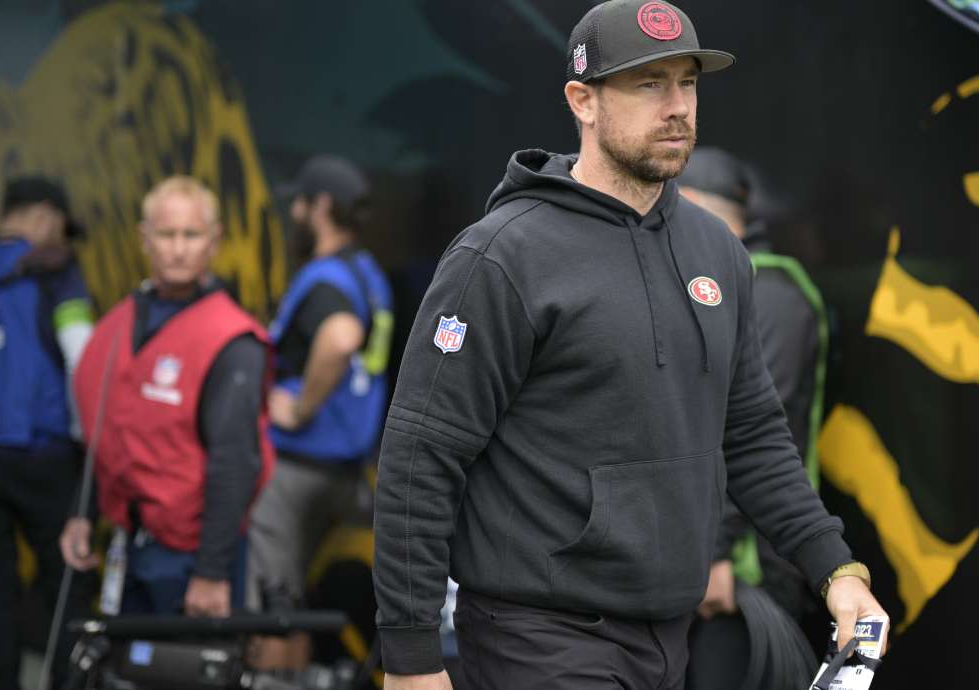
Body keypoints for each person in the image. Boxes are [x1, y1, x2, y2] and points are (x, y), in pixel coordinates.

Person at [373, 2, 888, 688]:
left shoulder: (719, 253)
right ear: (582, 100)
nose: (677, 106)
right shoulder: (501, 256)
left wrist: (836, 571)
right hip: (537, 639)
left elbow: (755, 435)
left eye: (689, 82)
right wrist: (411, 660)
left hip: (671, 639)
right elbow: (420, 456)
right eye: (649, 83)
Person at [60, 176, 274, 617]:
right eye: (166, 234)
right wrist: (82, 513)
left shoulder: (231, 341)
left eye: (191, 235)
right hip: (128, 542)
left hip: (193, 556)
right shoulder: (118, 324)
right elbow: (100, 431)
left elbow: (235, 463)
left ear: (213, 242)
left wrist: (212, 573)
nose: (178, 248)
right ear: (144, 239)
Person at [678, 148, 831, 688]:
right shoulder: (714, 285)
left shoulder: (769, 295)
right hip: (696, 567)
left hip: (747, 572)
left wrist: (717, 554)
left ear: (691, 205)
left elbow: (756, 435)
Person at [245, 155, 393, 663]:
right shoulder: (369, 275)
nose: (294, 214)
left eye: (301, 204)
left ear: (321, 207)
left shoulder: (324, 278)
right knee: (296, 605)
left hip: (297, 468)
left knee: (272, 607)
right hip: (347, 471)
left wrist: (300, 409)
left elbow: (340, 336)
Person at [0, 176, 95, 689]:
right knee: (66, 587)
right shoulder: (57, 271)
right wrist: (92, 445)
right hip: (45, 454)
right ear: (43, 218)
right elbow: (83, 357)